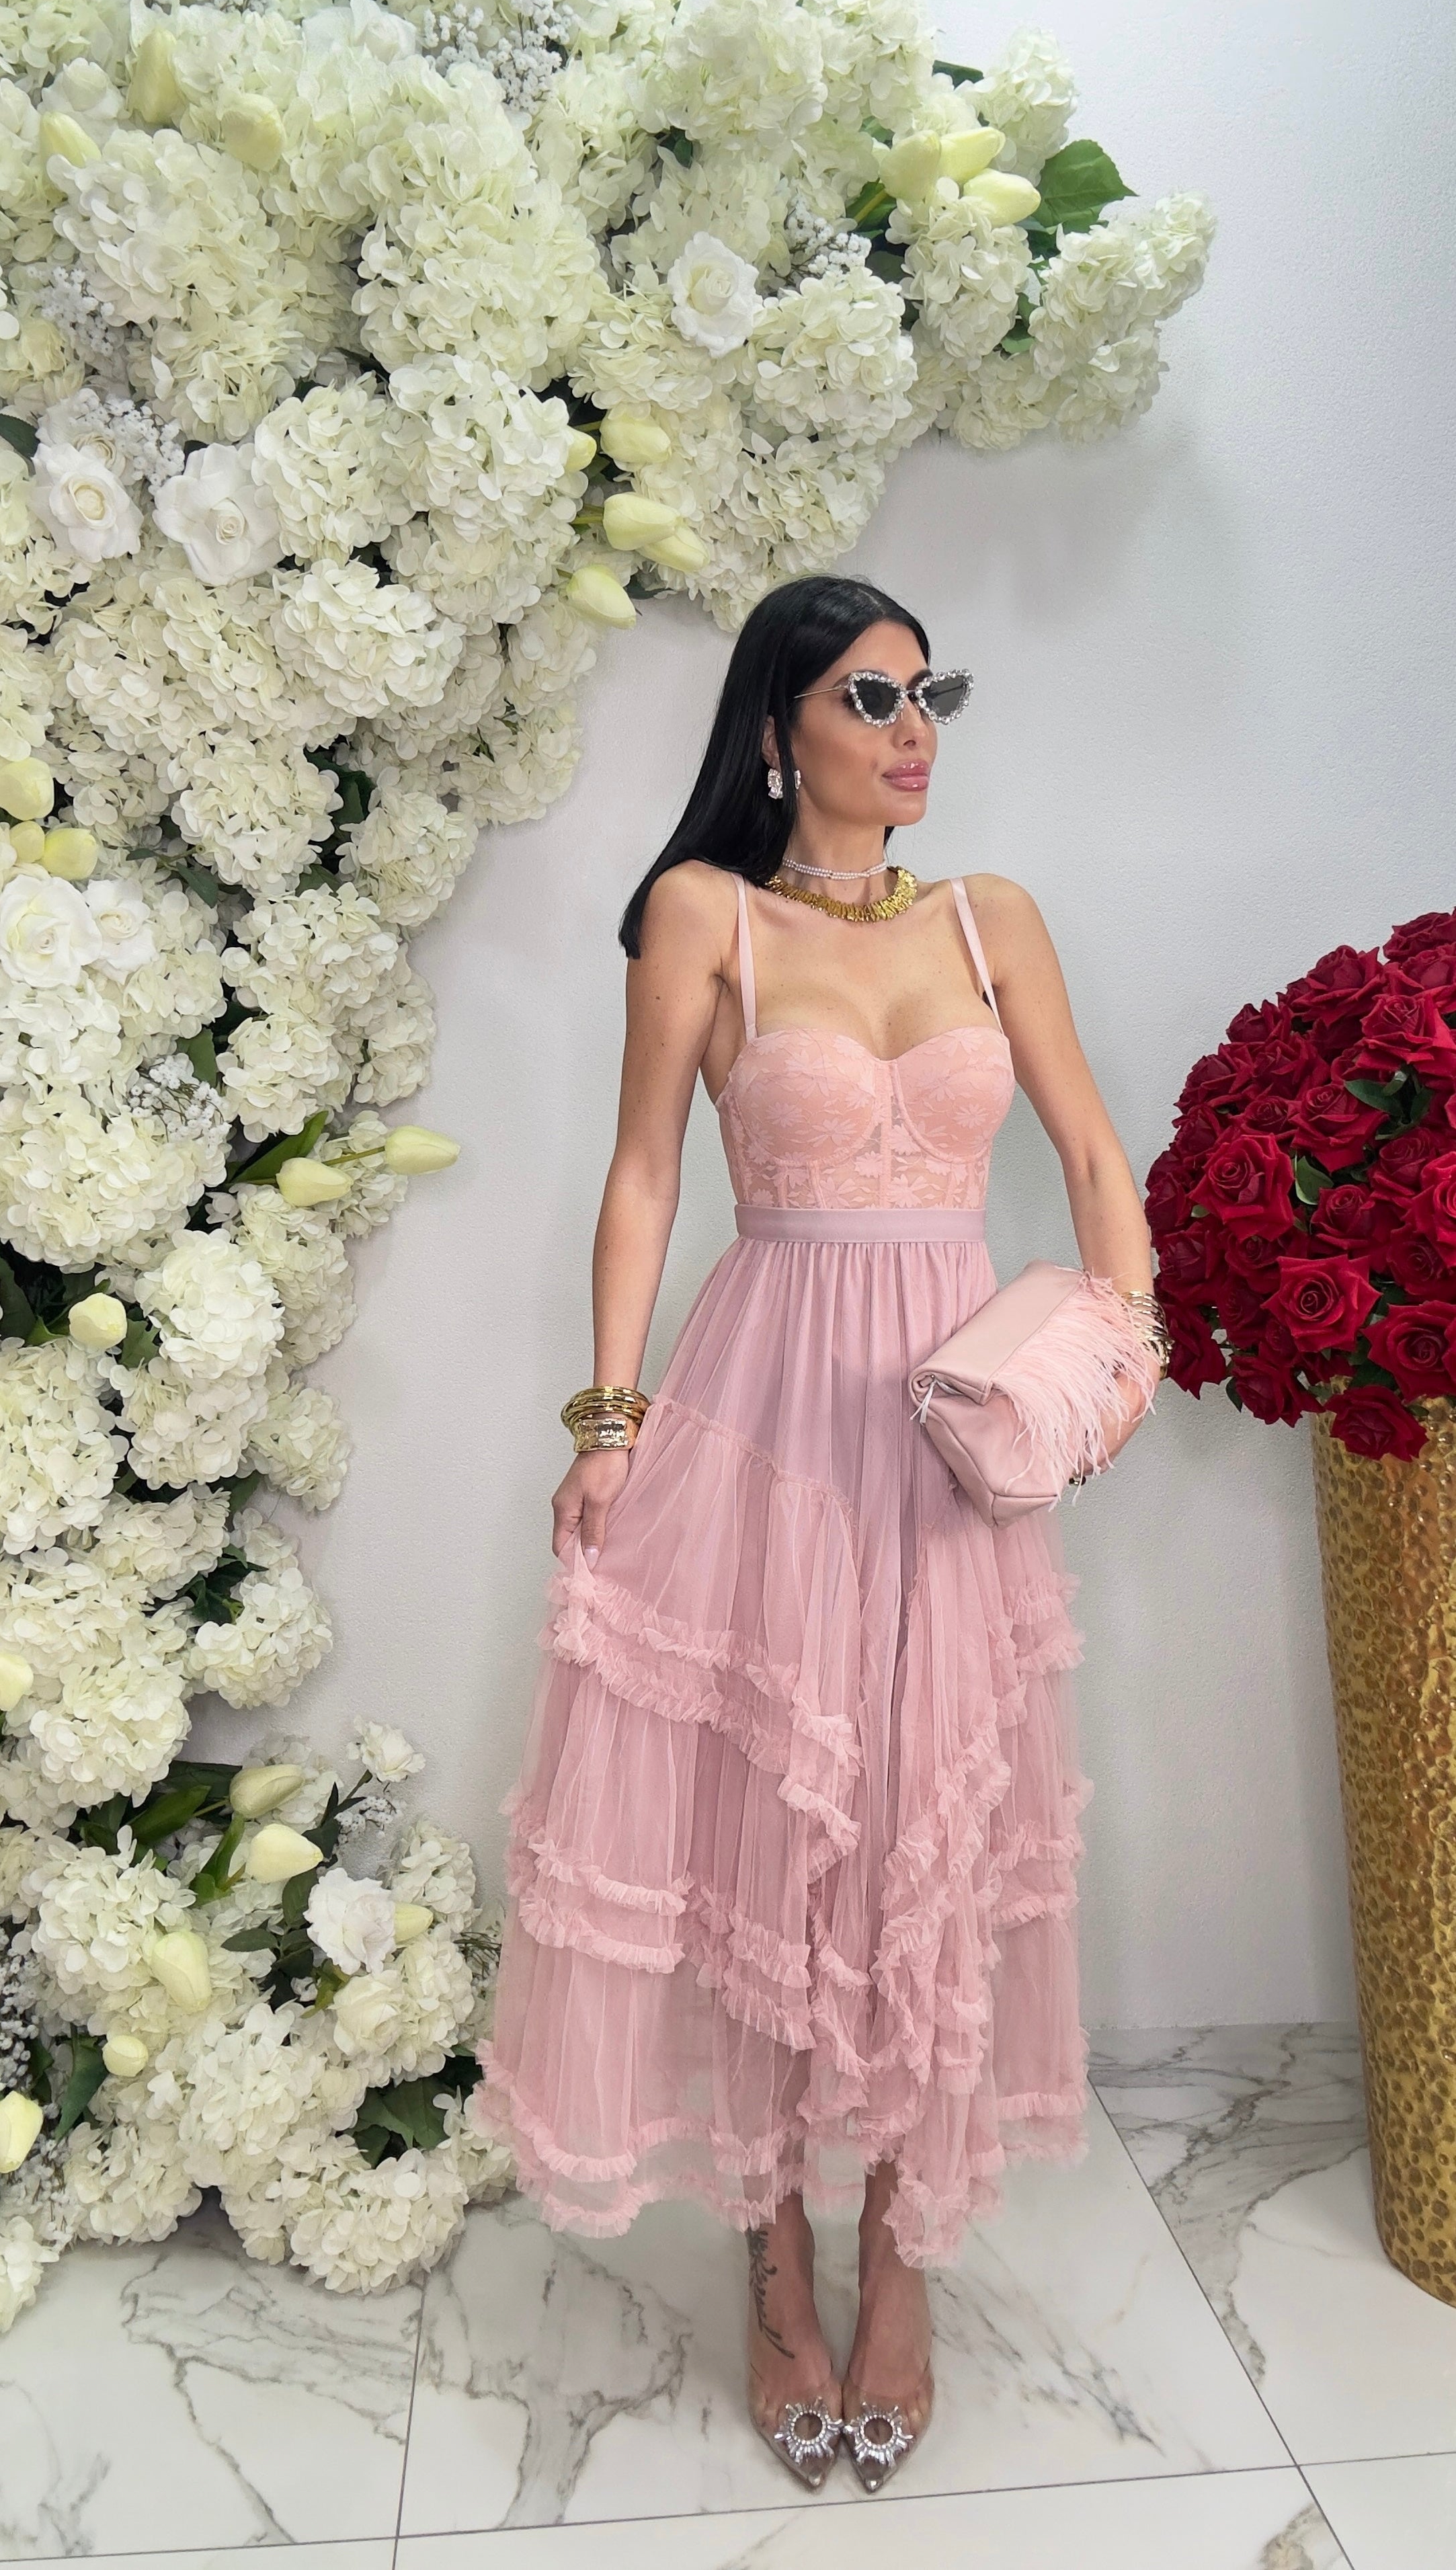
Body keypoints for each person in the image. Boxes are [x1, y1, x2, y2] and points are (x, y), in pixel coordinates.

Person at [476, 573, 1164, 2494]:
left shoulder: (991, 917)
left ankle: (903, 2256)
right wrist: (608, 1420)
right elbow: (641, 1174)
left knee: (933, 1819)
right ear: (778, 728)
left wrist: (1119, 1357)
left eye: (932, 692)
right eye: (873, 695)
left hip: (955, 1419)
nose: (916, 727)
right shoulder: (705, 918)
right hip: (768, 1407)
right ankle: (775, 2255)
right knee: (767, 1833)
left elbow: (1092, 1154)